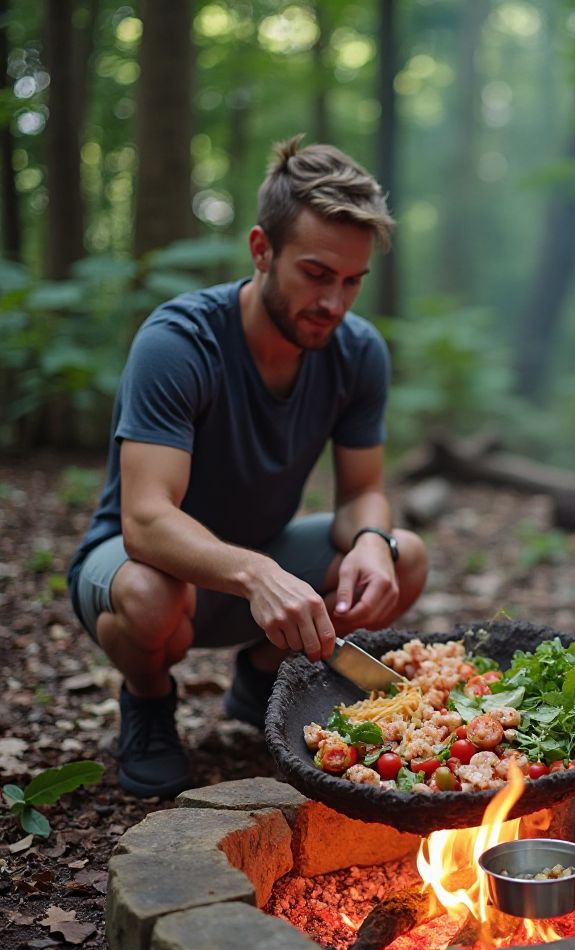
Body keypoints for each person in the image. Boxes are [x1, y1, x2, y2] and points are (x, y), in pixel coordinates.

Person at [67, 136, 428, 798]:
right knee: (150, 596)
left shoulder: (357, 352)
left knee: (405, 556)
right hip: (140, 567)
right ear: (262, 250)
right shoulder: (179, 343)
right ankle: (148, 699)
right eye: (316, 274)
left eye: (352, 281)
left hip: (259, 564)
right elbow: (146, 522)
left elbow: (363, 493)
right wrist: (259, 575)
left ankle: (263, 675)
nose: (334, 302)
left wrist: (372, 540)